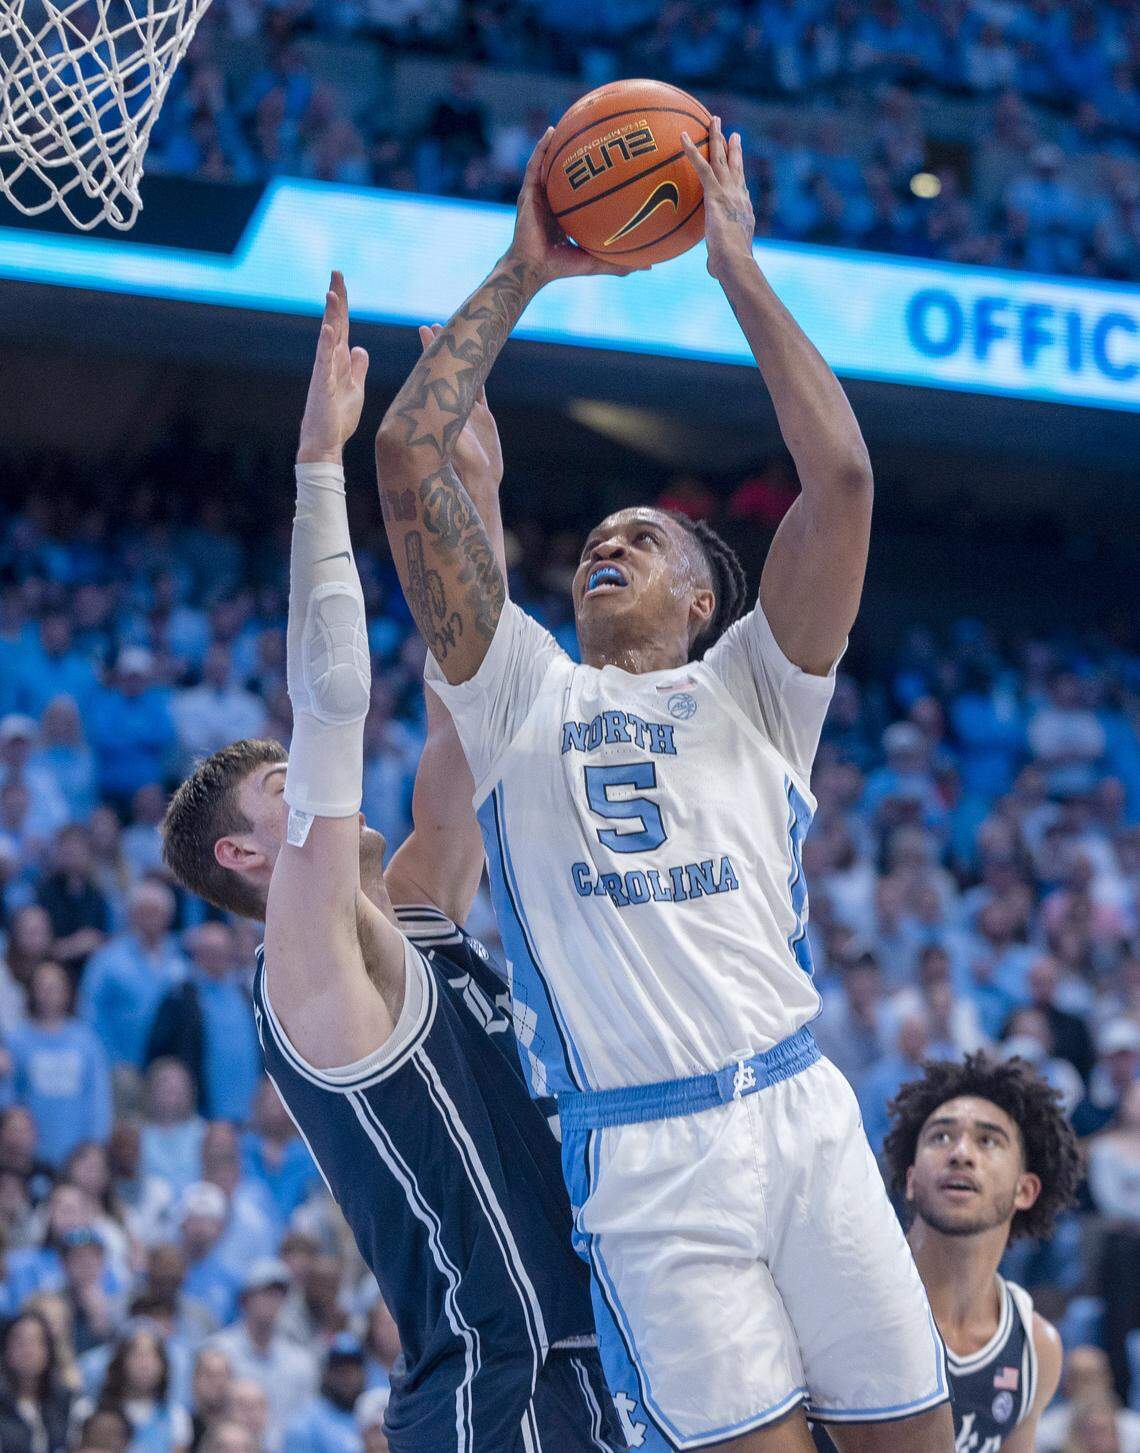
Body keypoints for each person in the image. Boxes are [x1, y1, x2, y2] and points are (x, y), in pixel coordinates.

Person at [377, 118, 947, 1450]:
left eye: (646, 536)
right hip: (646, 1160)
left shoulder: (757, 687)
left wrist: (737, 271)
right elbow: (409, 459)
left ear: (706, 594)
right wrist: (522, 271)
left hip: (799, 1109)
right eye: (593, 539)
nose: (609, 544)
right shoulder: (519, 692)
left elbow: (846, 479)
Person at [160, 278, 620, 1452]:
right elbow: (334, 699)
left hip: (598, 1362)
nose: (313, 800)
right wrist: (323, 464)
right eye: (285, 796)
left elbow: (471, 702)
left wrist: (477, 500)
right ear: (244, 856)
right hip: (487, 1385)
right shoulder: (308, 968)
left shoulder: (413, 904)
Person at [816, 1052, 1082, 1453]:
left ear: (1025, 1190)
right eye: (940, 1136)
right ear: (910, 1179)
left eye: (988, 1140)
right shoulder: (839, 1298)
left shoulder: (1035, 1347)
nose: (960, 1153)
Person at [145, 921, 261, 1122]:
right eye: (210, 952)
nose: (217, 959)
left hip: (250, 1110)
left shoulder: (245, 992)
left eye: (223, 952)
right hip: (201, 1112)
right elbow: (158, 1049)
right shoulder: (179, 996)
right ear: (196, 954)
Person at [6, 960, 112, 1165]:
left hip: (78, 1152)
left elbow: (98, 1096)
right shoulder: (16, 1040)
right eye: (42, 987)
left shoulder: (86, 1040)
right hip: (29, 1154)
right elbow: (9, 1095)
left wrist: (96, 1144)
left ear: (67, 991)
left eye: (54, 987)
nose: (48, 994)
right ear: (32, 991)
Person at [88, 1324, 193, 1453]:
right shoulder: (91, 1411)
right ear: (121, 1361)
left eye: (152, 1355)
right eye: (137, 1355)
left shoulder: (177, 1416)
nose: (145, 1364)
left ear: (163, 1365)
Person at [0, 1308, 73, 1453]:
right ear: (5, 1349)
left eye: (37, 1341)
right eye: (20, 1341)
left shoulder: (68, 1402)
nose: (28, 1350)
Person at [282, 1334, 367, 1453]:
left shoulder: (373, 1417)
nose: (348, 1378)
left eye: (354, 1370)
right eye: (340, 1371)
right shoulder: (305, 1423)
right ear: (326, 1375)